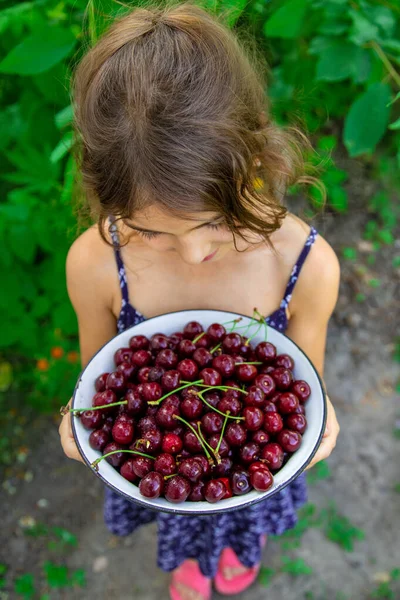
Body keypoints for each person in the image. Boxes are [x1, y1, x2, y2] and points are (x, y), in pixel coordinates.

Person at [59, 3, 340, 598]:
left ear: (256, 160)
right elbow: (98, 381)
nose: (191, 254)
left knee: (243, 519)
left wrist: (320, 419)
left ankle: (241, 547)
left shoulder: (306, 267)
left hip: (253, 473)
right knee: (181, 513)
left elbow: (302, 381)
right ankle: (191, 563)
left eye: (214, 222)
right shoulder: (95, 265)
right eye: (152, 230)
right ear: (104, 197)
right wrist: (80, 417)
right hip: (165, 471)